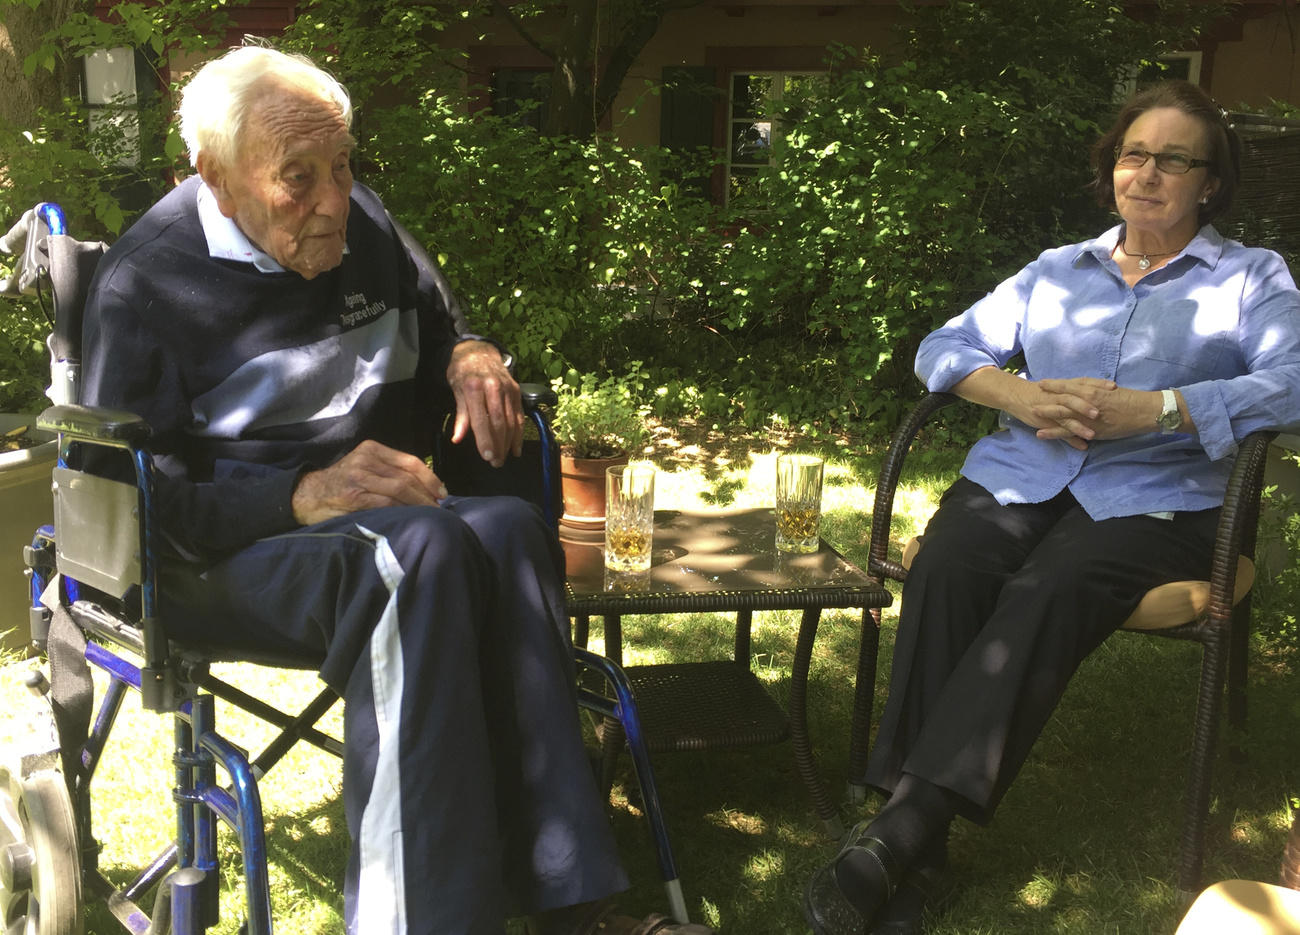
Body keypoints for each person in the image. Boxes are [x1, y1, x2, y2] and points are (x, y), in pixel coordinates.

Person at [80, 45, 709, 935]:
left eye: (342, 167)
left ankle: (578, 906)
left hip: (380, 525)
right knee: (424, 550)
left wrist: (470, 351)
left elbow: (445, 322)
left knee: (511, 533)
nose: (334, 200)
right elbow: (132, 508)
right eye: (297, 178)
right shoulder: (146, 286)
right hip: (220, 557)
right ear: (217, 179)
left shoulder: (363, 223)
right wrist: (299, 493)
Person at [803, 79, 1300, 935]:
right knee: (953, 565)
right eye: (1132, 154)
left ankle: (901, 826)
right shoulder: (1056, 270)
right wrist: (1022, 397)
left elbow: (1291, 383)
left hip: (1159, 500)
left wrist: (1161, 408)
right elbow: (944, 346)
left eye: (1172, 160)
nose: (1145, 174)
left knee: (1051, 584)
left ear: (1210, 182)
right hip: (1020, 475)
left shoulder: (1253, 277)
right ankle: (919, 851)